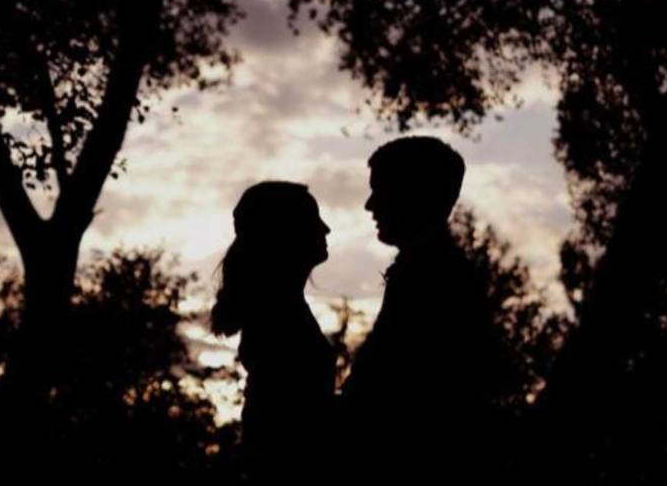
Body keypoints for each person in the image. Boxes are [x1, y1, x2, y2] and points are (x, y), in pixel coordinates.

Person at [341, 136, 512, 481]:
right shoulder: (431, 268)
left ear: (412, 193)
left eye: (381, 190)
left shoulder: (432, 276)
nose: (369, 205)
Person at [211, 181, 335, 482]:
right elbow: (295, 417)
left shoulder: (279, 306)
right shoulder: (277, 313)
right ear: (284, 232)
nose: (326, 228)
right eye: (313, 219)